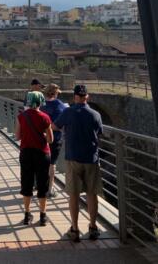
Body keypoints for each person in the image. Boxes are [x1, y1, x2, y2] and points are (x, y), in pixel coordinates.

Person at [53, 84, 103, 242]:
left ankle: (74, 229)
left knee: (73, 195)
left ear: (75, 97)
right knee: (91, 194)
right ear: (87, 97)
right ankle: (93, 227)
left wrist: (66, 130)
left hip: (73, 158)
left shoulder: (68, 112)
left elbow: (55, 126)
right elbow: (99, 132)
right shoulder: (96, 114)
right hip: (91, 158)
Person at [15, 92, 53, 227]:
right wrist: (42, 134)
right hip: (42, 154)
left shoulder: (21, 116)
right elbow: (50, 139)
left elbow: (17, 136)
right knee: (42, 184)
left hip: (26, 153)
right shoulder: (45, 117)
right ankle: (43, 216)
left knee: (27, 183)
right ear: (40, 102)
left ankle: (27, 215)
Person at [41, 83, 68, 198]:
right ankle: (50, 188)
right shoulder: (59, 105)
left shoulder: (40, 104)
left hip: (40, 137)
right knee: (52, 164)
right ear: (55, 93)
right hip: (54, 138)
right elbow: (58, 126)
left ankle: (40, 184)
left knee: (41, 162)